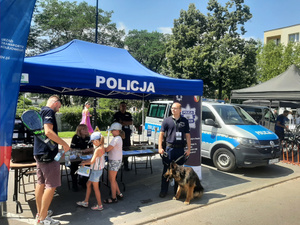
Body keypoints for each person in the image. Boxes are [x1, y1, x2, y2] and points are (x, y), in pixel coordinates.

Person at [34, 95, 70, 225]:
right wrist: (64, 144)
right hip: (48, 154)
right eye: (59, 107)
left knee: (41, 183)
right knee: (51, 186)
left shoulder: (41, 111)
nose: (59, 110)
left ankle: (40, 213)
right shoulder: (49, 111)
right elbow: (48, 131)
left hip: (39, 153)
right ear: (56, 103)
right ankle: (42, 219)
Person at [158, 102, 191, 198]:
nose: (173, 110)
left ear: (180, 110)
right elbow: (161, 134)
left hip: (180, 150)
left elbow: (188, 136)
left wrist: (189, 149)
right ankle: (163, 191)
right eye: (172, 108)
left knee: (179, 172)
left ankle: (177, 192)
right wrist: (160, 147)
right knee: (166, 171)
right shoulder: (166, 120)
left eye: (175, 108)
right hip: (169, 149)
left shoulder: (184, 121)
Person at [76, 132, 105, 211]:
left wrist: (84, 163)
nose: (92, 143)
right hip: (97, 170)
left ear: (96, 141)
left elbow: (92, 161)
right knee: (88, 184)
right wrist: (86, 161)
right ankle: (86, 201)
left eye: (92, 142)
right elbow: (94, 159)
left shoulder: (97, 149)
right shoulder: (102, 147)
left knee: (96, 189)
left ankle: (99, 205)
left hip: (96, 171)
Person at [104, 122, 125, 204]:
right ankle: (119, 193)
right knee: (112, 179)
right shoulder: (119, 138)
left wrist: (100, 146)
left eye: (113, 130)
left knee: (112, 180)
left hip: (114, 161)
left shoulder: (116, 139)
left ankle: (113, 197)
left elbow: (107, 149)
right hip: (116, 160)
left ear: (117, 131)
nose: (112, 132)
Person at [70, 124, 93, 191]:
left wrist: (88, 150)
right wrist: (81, 151)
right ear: (79, 131)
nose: (86, 131)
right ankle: (74, 184)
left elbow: (92, 148)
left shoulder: (88, 137)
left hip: (85, 156)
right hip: (76, 156)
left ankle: (83, 181)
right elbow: (71, 149)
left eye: (86, 129)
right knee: (74, 168)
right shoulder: (76, 137)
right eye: (84, 129)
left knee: (87, 165)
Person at [113, 102, 133, 171]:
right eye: (122, 106)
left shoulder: (128, 114)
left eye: (125, 106)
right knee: (118, 148)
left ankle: (126, 165)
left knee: (126, 148)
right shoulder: (117, 114)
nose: (124, 107)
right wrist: (124, 123)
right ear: (120, 106)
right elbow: (116, 123)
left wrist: (122, 122)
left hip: (127, 134)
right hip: (118, 133)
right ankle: (118, 164)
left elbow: (131, 122)